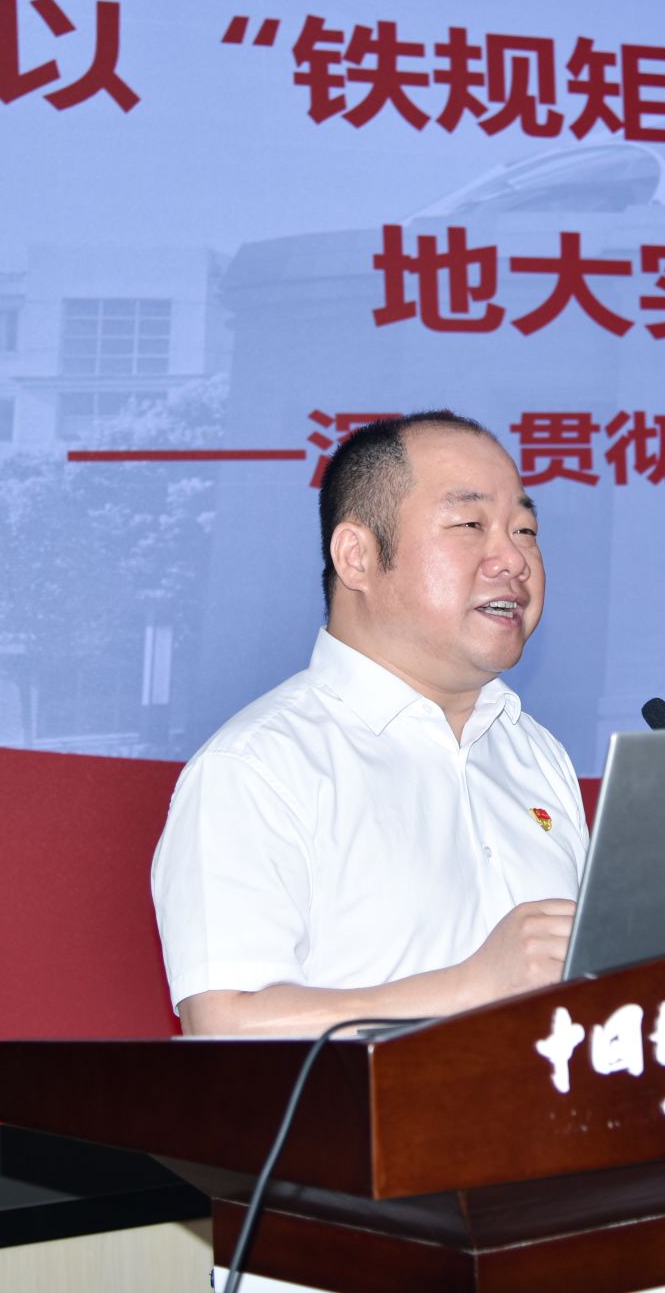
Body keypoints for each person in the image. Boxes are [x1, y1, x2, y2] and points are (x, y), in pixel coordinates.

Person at [150, 412, 583, 1036]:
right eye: (470, 525)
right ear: (357, 556)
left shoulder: (535, 754)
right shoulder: (256, 768)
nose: (514, 559)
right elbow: (223, 1026)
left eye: (525, 530)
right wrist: (472, 986)